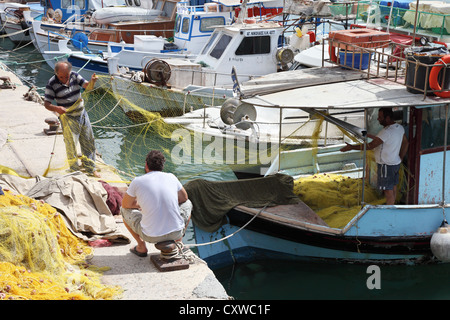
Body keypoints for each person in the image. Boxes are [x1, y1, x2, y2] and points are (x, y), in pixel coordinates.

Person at [121, 150, 192, 258]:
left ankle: (141, 246)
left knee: (123, 210)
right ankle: (179, 242)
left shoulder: (137, 181)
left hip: (150, 236)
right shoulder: (171, 177)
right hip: (176, 232)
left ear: (146, 164)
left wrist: (143, 205)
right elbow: (184, 198)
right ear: (162, 165)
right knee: (188, 204)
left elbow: (126, 205)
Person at [340, 107, 408, 205]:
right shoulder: (399, 128)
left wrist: (351, 147)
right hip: (395, 163)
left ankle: (389, 211)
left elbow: (370, 146)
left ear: (388, 118)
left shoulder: (386, 132)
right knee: (393, 187)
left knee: (387, 191)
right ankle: (392, 206)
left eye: (380, 117)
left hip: (386, 165)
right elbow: (406, 143)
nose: (378, 119)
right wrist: (400, 158)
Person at [44, 61, 100, 177]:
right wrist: (57, 108)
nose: (64, 79)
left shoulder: (75, 75)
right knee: (71, 145)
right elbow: (47, 104)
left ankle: (90, 168)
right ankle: (74, 170)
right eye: (61, 76)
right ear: (56, 73)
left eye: (66, 76)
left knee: (88, 141)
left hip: (81, 113)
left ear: (70, 72)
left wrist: (92, 82)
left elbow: (87, 87)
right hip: (68, 117)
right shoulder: (51, 83)